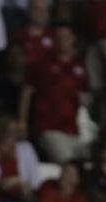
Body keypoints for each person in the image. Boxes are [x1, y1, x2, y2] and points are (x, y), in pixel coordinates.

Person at [21, 23, 89, 163]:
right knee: (66, 163)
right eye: (58, 37)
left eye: (66, 37)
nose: (62, 40)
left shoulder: (80, 66)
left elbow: (85, 96)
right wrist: (22, 121)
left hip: (73, 129)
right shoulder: (42, 64)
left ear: (73, 39)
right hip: (49, 127)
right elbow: (27, 92)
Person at [0, 115, 40, 202]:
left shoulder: (26, 148)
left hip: (23, 195)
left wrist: (22, 184)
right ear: (0, 132)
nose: (14, 135)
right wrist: (3, 184)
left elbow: (35, 180)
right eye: (10, 131)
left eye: (16, 131)